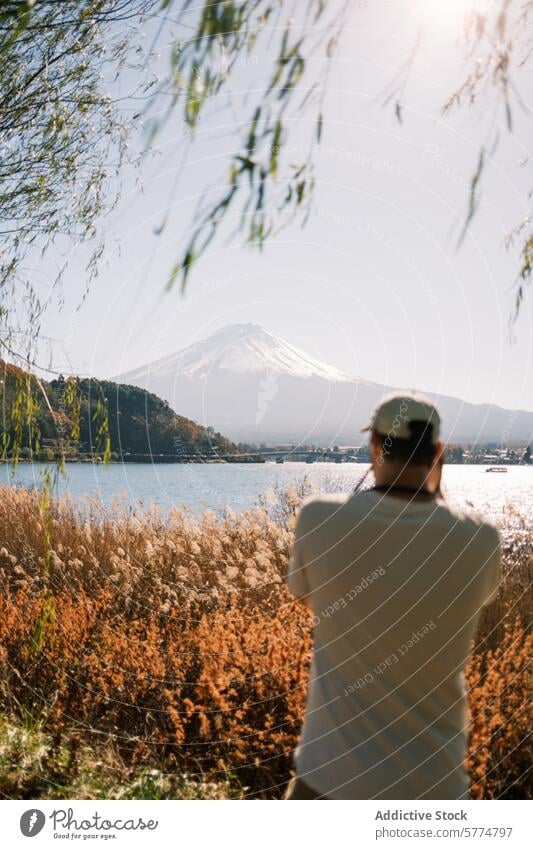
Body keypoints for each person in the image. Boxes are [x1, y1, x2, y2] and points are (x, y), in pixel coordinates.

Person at [285, 391, 501, 800]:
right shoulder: (481, 539)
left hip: (327, 783)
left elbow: (311, 602)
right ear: (438, 451)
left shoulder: (318, 519)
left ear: (374, 447)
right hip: (434, 785)